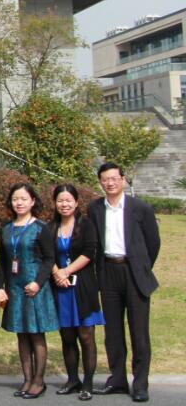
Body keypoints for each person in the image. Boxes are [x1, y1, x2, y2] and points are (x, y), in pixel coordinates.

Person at [87, 162, 160, 403]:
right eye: (105, 179)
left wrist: (141, 266)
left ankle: (140, 384)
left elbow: (153, 243)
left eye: (114, 178)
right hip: (108, 272)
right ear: (100, 182)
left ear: (123, 180)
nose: (110, 183)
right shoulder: (95, 208)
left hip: (134, 273)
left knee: (139, 332)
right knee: (113, 332)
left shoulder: (141, 208)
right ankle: (117, 379)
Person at [0, 182, 58, 399]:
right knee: (21, 334)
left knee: (36, 334)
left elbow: (50, 259)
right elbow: (2, 262)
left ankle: (39, 381)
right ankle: (27, 378)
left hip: (34, 288)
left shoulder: (41, 228)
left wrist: (38, 283)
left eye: (23, 199)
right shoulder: (6, 229)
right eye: (15, 199)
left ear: (32, 201)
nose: (19, 203)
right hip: (14, 288)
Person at [50, 183, 104, 401]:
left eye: (68, 200)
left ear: (76, 202)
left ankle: (88, 383)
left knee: (86, 335)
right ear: (55, 203)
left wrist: (66, 271)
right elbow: (47, 254)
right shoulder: (51, 227)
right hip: (61, 288)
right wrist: (57, 273)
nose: (64, 204)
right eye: (60, 200)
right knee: (67, 335)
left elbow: (90, 252)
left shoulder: (86, 225)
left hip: (83, 286)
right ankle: (73, 379)